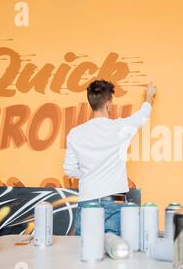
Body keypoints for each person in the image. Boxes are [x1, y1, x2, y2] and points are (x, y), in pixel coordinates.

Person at [63, 80, 157, 235]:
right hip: (114, 205)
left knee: (86, 254)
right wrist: (149, 96)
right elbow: (143, 115)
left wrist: (89, 173)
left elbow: (69, 169)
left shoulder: (75, 133)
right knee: (116, 255)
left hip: (87, 204)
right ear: (108, 104)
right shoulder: (120, 128)